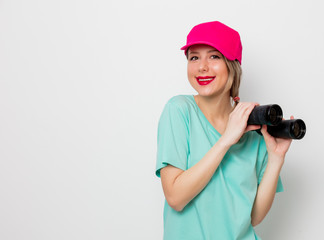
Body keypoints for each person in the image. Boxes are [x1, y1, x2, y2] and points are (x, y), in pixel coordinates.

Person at [155, 21, 293, 240]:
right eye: (194, 57)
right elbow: (175, 197)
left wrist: (276, 159)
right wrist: (226, 139)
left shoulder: (252, 126)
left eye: (214, 56)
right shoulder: (180, 110)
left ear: (233, 64)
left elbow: (253, 217)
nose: (202, 67)